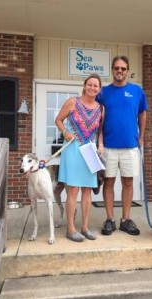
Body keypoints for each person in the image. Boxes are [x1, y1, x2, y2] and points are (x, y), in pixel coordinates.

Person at [96, 55, 148, 236]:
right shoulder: (103, 93)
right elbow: (98, 120)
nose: (120, 71)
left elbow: (142, 115)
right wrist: (99, 141)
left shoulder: (137, 91)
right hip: (109, 146)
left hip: (130, 145)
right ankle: (109, 219)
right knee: (108, 182)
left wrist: (141, 138)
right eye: (116, 68)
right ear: (112, 70)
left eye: (123, 68)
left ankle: (126, 219)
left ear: (127, 71)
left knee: (128, 182)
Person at [55, 73, 103, 242]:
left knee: (88, 190)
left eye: (95, 86)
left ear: (99, 89)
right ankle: (70, 228)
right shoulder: (72, 102)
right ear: (84, 85)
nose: (92, 88)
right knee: (73, 190)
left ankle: (84, 227)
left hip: (89, 151)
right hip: (73, 149)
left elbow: (99, 130)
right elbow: (58, 120)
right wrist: (65, 132)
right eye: (89, 84)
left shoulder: (100, 108)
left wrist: (101, 145)